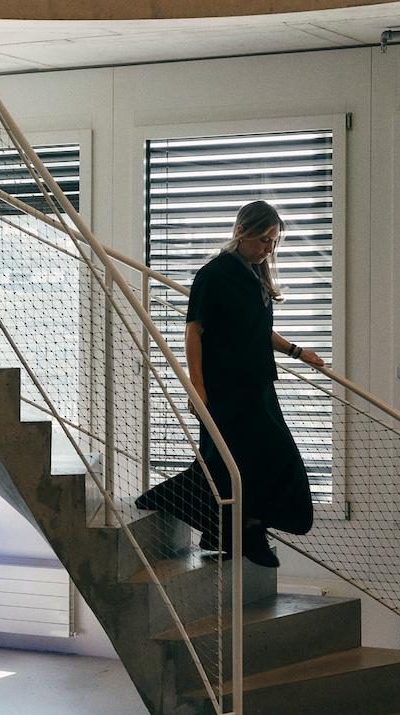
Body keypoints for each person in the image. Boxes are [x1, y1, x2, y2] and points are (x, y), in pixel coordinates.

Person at [137, 200, 324, 568]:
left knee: (264, 461)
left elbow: (257, 330)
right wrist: (198, 388)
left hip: (257, 386)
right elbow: (194, 332)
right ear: (242, 232)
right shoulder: (214, 274)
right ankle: (238, 530)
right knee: (232, 464)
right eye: (264, 240)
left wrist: (298, 351)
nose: (269, 249)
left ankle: (229, 532)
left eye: (274, 242)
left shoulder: (256, 274)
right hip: (226, 389)